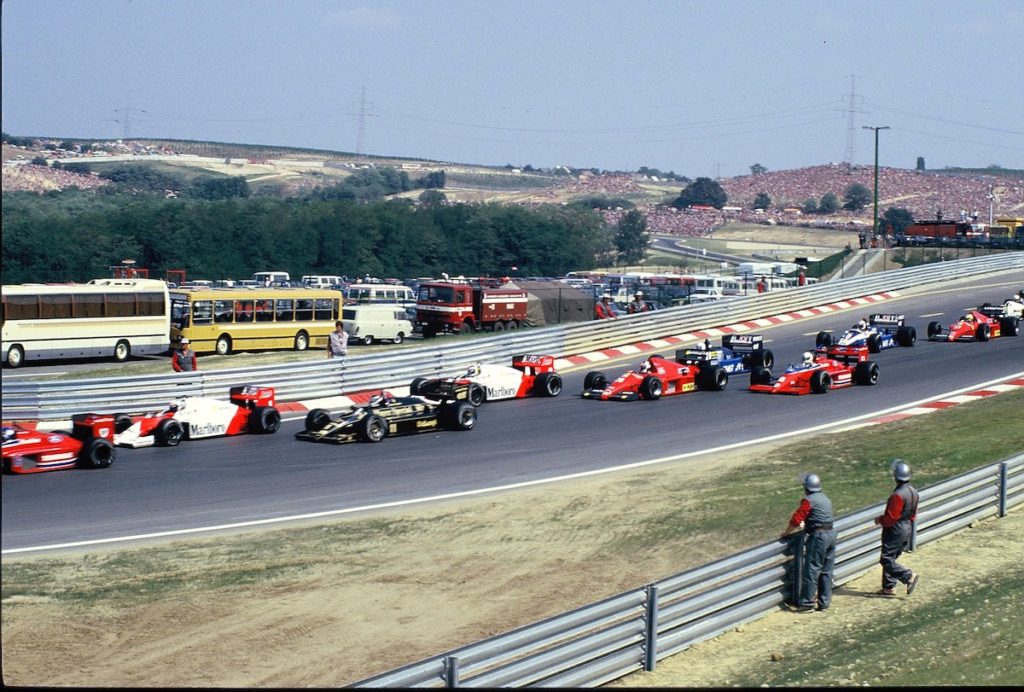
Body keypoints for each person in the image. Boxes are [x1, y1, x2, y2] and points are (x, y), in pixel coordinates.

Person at [780, 472, 837, 612]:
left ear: (807, 487)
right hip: (831, 534)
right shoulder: (825, 498)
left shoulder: (808, 500)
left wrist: (786, 533)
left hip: (819, 536)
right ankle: (824, 602)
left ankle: (807, 603)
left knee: (812, 570)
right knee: (827, 570)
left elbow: (796, 519)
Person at [874, 459, 920, 596]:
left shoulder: (897, 495)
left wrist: (880, 520)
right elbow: (913, 515)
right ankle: (888, 587)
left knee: (886, 559)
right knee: (892, 557)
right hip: (907, 526)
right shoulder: (914, 492)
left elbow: (891, 518)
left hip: (896, 528)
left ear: (896, 477)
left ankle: (908, 576)